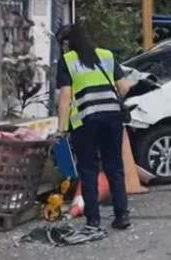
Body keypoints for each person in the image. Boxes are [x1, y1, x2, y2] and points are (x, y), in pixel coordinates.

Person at [57, 24, 133, 238]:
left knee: (88, 170)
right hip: (112, 119)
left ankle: (93, 221)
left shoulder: (68, 61)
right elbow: (125, 86)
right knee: (114, 167)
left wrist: (61, 130)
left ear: (68, 43)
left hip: (86, 122)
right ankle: (122, 216)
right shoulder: (107, 55)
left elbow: (65, 97)